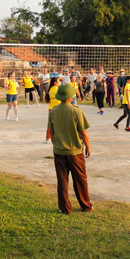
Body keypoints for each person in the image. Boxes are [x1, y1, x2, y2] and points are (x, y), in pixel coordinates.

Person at [47, 83, 93, 215]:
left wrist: (55, 144)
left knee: (62, 180)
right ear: (70, 97)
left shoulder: (54, 111)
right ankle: (85, 205)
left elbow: (51, 131)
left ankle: (65, 208)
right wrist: (88, 147)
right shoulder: (76, 111)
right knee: (80, 179)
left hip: (59, 150)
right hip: (75, 151)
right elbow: (83, 132)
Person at [45, 77, 62, 143]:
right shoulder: (56, 88)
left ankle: (47, 138)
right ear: (55, 83)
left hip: (51, 108)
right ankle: (58, 138)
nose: (59, 82)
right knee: (59, 124)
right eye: (58, 81)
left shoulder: (51, 89)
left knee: (50, 124)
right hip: (57, 108)